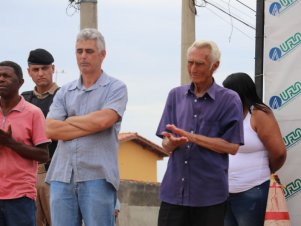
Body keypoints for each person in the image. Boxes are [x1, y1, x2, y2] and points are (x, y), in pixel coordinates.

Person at [156, 40, 244, 226]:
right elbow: (165, 143)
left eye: (199, 63)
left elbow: (232, 146)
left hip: (209, 196)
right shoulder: (175, 95)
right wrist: (172, 143)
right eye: (190, 62)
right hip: (173, 194)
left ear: (215, 66)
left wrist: (192, 137)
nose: (193, 68)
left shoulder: (229, 100)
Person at [45, 28, 128, 226]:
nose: (83, 56)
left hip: (98, 176)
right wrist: (90, 123)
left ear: (102, 55)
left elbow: (103, 121)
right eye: (79, 51)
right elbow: (50, 129)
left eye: (89, 51)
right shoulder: (65, 91)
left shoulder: (116, 88)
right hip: (62, 176)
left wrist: (67, 122)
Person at [222, 72, 287, 226]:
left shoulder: (258, 114)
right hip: (224, 193)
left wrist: (266, 169)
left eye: (228, 93)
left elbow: (279, 152)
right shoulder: (228, 116)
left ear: (240, 92)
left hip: (252, 191)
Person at [0, 60, 50, 226]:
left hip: (20, 198)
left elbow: (44, 155)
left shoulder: (33, 113)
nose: (1, 79)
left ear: (20, 82)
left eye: (6, 76)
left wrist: (10, 143)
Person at [21, 48, 60, 226]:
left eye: (45, 68)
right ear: (29, 72)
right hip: (27, 173)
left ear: (53, 68)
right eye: (35, 70)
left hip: (57, 172)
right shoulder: (23, 100)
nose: (41, 73)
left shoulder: (64, 96)